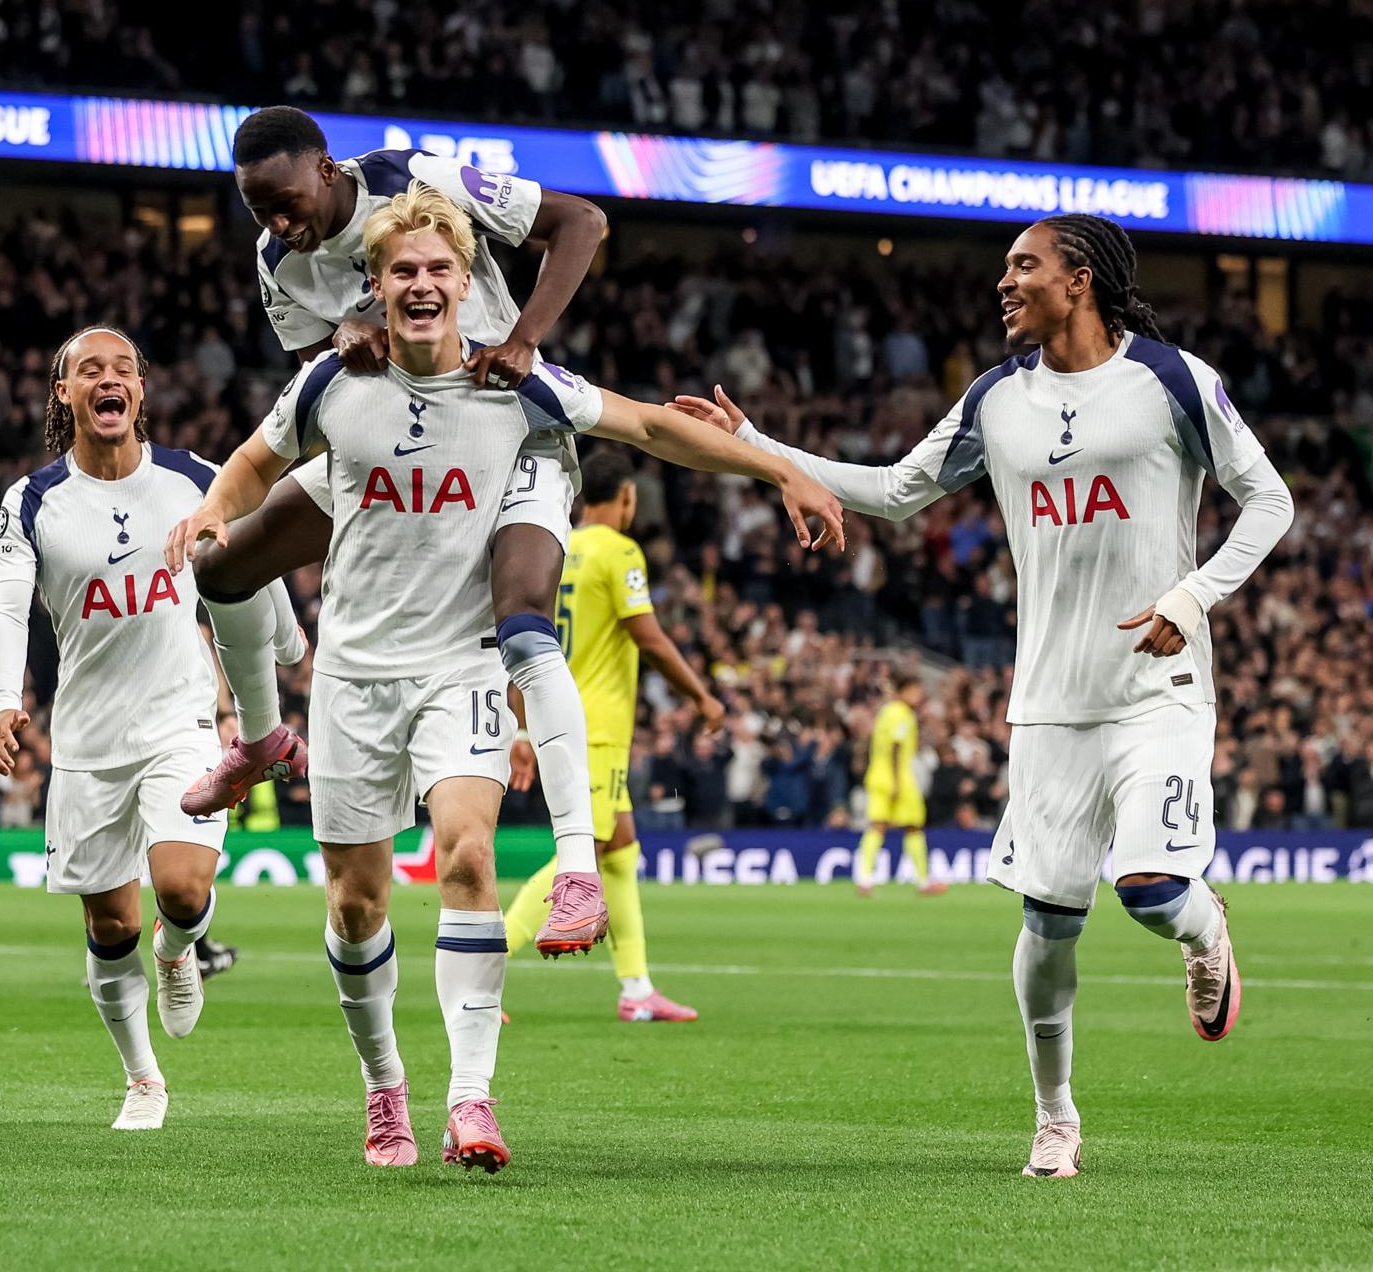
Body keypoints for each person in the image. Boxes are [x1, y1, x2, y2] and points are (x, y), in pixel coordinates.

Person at [165, 185, 842, 1171]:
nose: (424, 283)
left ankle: (470, 1099)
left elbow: (652, 428)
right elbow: (250, 466)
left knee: (469, 859)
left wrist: (778, 469)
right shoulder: (329, 385)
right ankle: (384, 1083)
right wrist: (214, 517)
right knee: (356, 905)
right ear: (378, 285)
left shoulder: (515, 387)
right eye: (405, 270)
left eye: (442, 267)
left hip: (460, 667)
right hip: (355, 673)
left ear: (465, 280)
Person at [683, 213, 1294, 1178]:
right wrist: (761, 444)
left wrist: (1192, 593)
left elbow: (1271, 500)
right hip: (1049, 704)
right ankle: (1055, 1118)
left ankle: (1204, 928)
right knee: (1048, 926)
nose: (1003, 283)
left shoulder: (1173, 381)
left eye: (1023, 266)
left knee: (1148, 887)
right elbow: (890, 490)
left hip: (1158, 689)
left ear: (1080, 278)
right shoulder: (994, 399)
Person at [186, 105, 619, 956]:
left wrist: (527, 339)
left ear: (325, 169)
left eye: (285, 201)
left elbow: (583, 221)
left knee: (524, 615)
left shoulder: (422, 178)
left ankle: (577, 867)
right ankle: (264, 737)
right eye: (256, 210)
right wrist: (341, 335)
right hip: (397, 442)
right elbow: (319, 366)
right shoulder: (279, 256)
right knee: (222, 568)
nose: (277, 223)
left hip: (509, 430)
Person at [0, 325, 290, 1131]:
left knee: (181, 890)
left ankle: (179, 948)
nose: (108, 379)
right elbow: (9, 605)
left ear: (142, 391)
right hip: (86, 742)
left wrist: (286, 640)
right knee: (109, 921)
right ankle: (143, 1078)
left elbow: (247, 557)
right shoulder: (32, 501)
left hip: (178, 724)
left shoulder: (196, 482)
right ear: (66, 394)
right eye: (90, 370)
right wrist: (0, 701)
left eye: (123, 368)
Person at [502, 450, 719, 1023]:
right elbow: (647, 636)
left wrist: (522, 723)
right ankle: (485, 962)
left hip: (557, 711)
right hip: (594, 727)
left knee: (620, 851)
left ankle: (637, 989)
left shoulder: (553, 545)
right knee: (584, 854)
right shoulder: (619, 550)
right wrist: (701, 696)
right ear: (625, 497)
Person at [855, 672, 948, 897]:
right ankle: (923, 882)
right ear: (903, 690)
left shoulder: (887, 711)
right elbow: (896, 746)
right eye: (914, 690)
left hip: (879, 774)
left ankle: (864, 879)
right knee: (912, 826)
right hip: (896, 777)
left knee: (878, 825)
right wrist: (896, 781)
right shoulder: (901, 713)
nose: (918, 694)